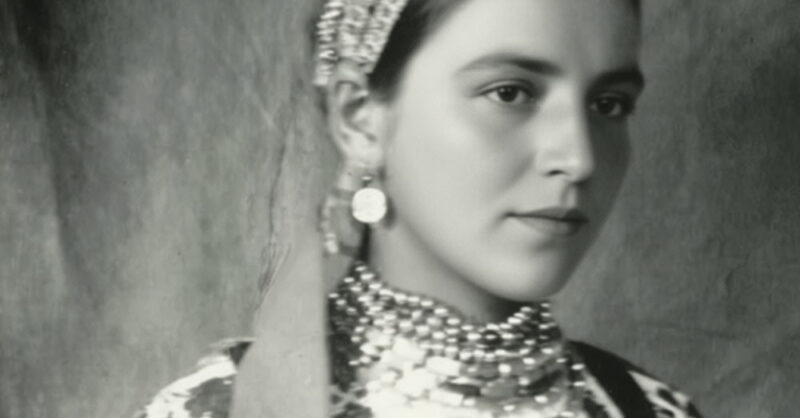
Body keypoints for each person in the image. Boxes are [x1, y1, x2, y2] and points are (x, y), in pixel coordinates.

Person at [136, 0, 703, 416]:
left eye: (609, 104)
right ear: (359, 119)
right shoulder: (214, 411)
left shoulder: (651, 409)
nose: (578, 158)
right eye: (510, 93)